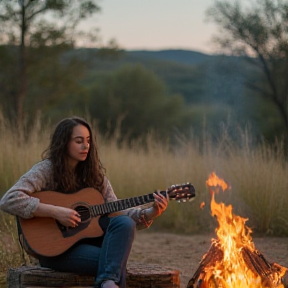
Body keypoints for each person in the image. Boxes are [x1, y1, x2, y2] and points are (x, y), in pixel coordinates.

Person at [0, 116, 168, 288]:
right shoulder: (46, 170)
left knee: (124, 223)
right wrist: (56, 212)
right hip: (55, 250)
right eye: (79, 141)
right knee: (115, 261)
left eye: (88, 141)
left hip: (90, 245)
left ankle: (107, 282)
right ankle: (108, 281)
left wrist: (151, 212)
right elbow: (9, 199)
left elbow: (118, 211)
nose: (86, 146)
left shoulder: (95, 176)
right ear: (64, 143)